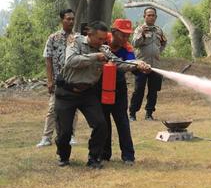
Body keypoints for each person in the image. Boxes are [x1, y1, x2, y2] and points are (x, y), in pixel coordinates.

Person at [54, 21, 151, 168]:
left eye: (104, 38)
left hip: (88, 93)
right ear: (89, 34)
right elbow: (71, 61)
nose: (102, 41)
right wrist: (95, 57)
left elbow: (118, 63)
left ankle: (94, 158)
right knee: (65, 131)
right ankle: (63, 156)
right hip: (67, 92)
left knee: (101, 124)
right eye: (99, 39)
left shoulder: (104, 49)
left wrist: (137, 64)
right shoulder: (76, 42)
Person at [36, 9, 79, 148]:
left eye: (72, 19)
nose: (71, 21)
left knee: (73, 108)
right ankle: (46, 137)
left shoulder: (78, 38)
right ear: (62, 20)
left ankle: (71, 135)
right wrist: (49, 80)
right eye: (68, 19)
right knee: (53, 108)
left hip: (73, 79)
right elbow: (48, 60)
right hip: (58, 80)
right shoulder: (53, 38)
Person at [96, 19, 137, 164]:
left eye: (128, 36)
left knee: (122, 121)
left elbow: (132, 63)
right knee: (103, 121)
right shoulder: (101, 40)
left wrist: (138, 65)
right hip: (99, 86)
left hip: (118, 87)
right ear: (113, 32)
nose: (126, 39)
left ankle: (128, 156)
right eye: (123, 35)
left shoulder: (128, 49)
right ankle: (104, 154)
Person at [129, 7, 167, 121]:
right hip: (141, 65)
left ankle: (149, 113)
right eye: (148, 15)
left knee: (153, 90)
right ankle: (132, 113)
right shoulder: (139, 29)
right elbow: (134, 43)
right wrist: (142, 34)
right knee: (138, 90)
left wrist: (157, 51)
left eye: (153, 15)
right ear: (144, 17)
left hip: (155, 65)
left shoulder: (159, 30)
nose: (151, 17)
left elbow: (164, 42)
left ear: (156, 17)